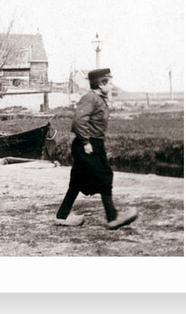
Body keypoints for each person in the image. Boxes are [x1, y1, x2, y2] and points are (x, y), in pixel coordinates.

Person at [54, 68, 138, 229]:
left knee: (77, 181)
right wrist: (86, 142)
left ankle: (62, 216)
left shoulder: (99, 98)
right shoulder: (90, 98)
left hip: (93, 143)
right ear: (101, 84)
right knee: (105, 176)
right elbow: (78, 122)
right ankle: (112, 218)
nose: (112, 86)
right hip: (87, 144)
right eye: (110, 83)